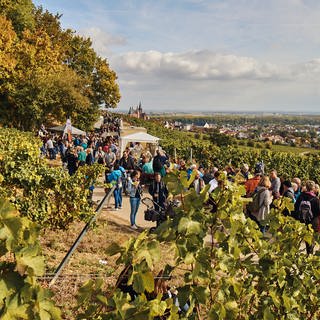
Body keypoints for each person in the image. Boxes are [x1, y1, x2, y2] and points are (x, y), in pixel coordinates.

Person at [294, 180, 320, 254]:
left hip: (302, 221)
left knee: (305, 238)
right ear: (313, 188)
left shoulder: (301, 196)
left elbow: (295, 207)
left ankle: (308, 251)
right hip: (312, 221)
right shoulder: (315, 199)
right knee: (312, 238)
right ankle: (310, 253)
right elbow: (318, 211)